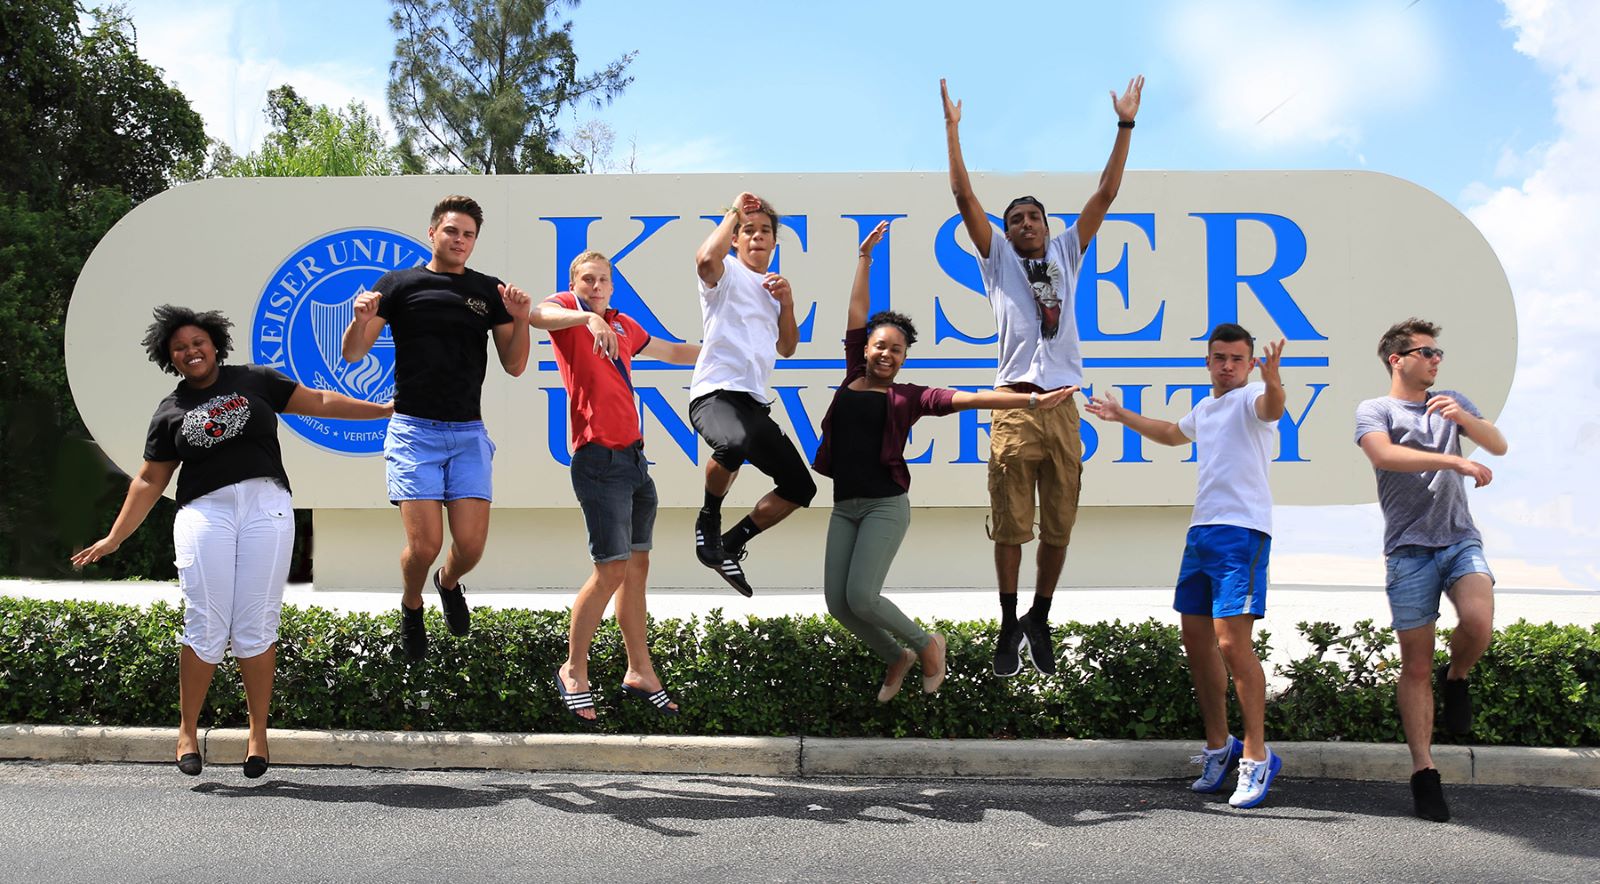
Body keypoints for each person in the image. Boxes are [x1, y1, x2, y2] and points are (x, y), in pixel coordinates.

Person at [72, 306, 392, 778]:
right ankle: (187, 731)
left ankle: (258, 734)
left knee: (256, 625)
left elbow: (321, 402)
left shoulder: (255, 380)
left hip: (267, 506)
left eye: (197, 342)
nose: (190, 351)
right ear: (170, 358)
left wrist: (384, 409)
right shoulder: (170, 412)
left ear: (214, 344)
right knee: (206, 623)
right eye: (179, 348)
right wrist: (116, 536)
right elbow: (148, 481)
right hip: (205, 512)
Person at [814, 221, 1078, 701]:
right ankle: (897, 657)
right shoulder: (853, 372)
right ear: (866, 349)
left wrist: (1033, 404)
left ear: (904, 357)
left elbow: (973, 399)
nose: (886, 354)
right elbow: (856, 311)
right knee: (839, 604)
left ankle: (926, 645)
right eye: (879, 346)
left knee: (863, 597)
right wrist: (864, 258)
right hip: (844, 505)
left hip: (883, 506)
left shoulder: (909, 397)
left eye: (896, 349)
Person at [941, 75, 1144, 677]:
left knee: (1059, 525)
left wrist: (1124, 125)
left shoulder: (1066, 251)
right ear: (1005, 232)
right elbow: (962, 197)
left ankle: (1040, 615)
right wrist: (953, 131)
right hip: (1013, 401)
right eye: (1016, 219)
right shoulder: (998, 257)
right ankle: (1008, 620)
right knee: (1010, 524)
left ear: (1046, 224)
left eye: (1034, 216)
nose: (1026, 223)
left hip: (1064, 406)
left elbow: (1105, 195)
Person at [1085, 323, 1287, 809]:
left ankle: (1257, 757)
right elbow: (1174, 434)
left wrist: (1275, 379)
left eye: (1237, 358)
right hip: (1201, 534)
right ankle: (1220, 748)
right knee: (1197, 646)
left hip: (1242, 534)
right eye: (1220, 357)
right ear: (1208, 362)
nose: (1228, 366)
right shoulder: (1208, 406)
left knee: (1232, 644)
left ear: (1249, 363)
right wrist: (1120, 415)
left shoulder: (1253, 398)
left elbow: (1272, 408)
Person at [341, 195, 531, 662]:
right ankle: (411, 604)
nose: (460, 240)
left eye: (468, 234)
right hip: (413, 431)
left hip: (467, 433)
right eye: (452, 231)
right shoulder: (399, 284)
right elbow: (352, 354)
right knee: (424, 545)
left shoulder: (490, 291)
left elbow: (515, 365)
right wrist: (359, 320)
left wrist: (522, 318)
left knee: (469, 547)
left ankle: (448, 583)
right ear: (432, 233)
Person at [530, 251, 701, 722]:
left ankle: (639, 671)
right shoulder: (569, 314)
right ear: (575, 284)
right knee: (610, 570)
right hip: (597, 460)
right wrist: (586, 316)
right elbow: (533, 314)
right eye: (588, 279)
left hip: (634, 461)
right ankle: (573, 670)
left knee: (636, 570)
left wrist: (730, 351)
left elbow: (670, 351)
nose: (597, 284)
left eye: (603, 279)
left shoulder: (624, 325)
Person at [1355, 318, 1507, 822]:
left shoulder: (1451, 401)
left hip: (1459, 538)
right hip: (1408, 551)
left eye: (1439, 353)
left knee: (1478, 621)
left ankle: (1458, 674)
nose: (1436, 360)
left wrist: (1464, 416)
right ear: (1397, 359)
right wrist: (1454, 463)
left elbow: (1497, 444)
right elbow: (1383, 454)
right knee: (1416, 666)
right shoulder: (1375, 409)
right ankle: (1424, 772)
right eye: (1425, 352)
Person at [688, 191, 818, 596]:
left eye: (765, 231)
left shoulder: (773, 287)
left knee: (801, 487)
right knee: (733, 444)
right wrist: (731, 211)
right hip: (715, 393)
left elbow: (787, 347)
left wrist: (788, 301)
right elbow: (704, 261)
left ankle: (731, 542)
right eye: (749, 230)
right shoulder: (724, 271)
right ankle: (708, 520)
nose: (757, 237)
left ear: (774, 243)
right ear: (735, 239)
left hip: (753, 403)